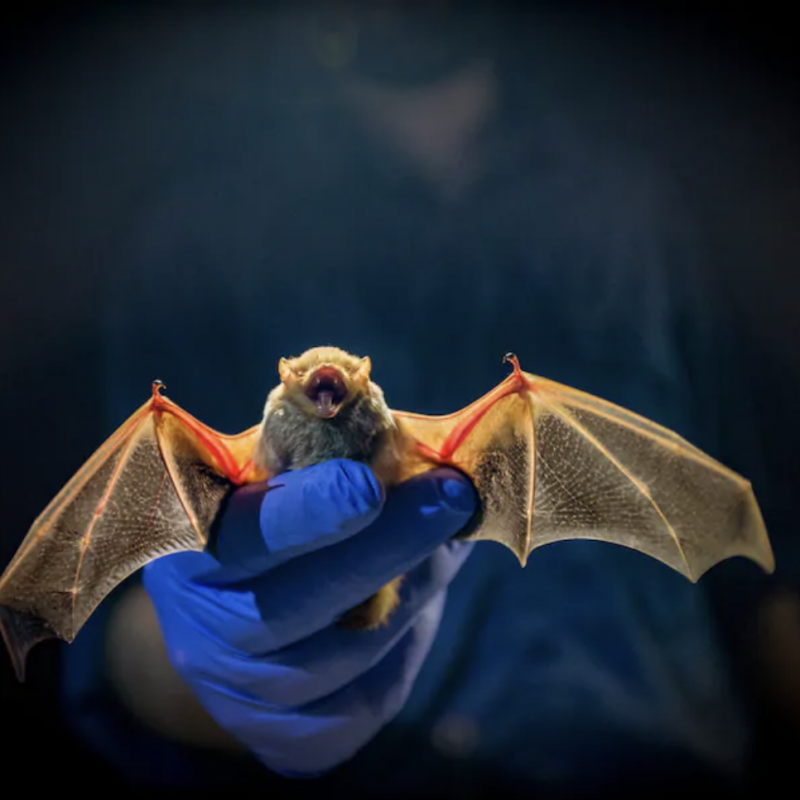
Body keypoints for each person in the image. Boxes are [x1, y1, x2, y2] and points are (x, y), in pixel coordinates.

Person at [56, 4, 789, 797]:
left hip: (667, 764)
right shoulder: (202, 244)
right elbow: (131, 598)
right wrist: (211, 663)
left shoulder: (625, 204)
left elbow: (750, 546)